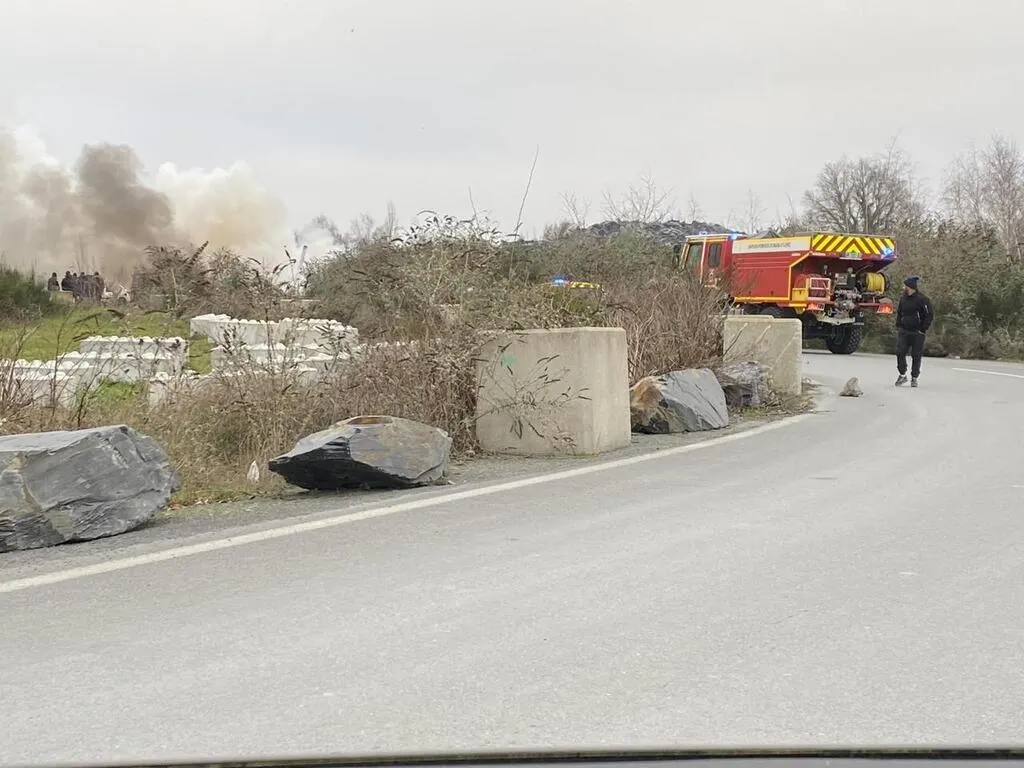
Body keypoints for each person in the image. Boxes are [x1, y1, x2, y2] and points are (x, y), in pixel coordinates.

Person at [895, 275, 933, 388]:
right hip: (904, 330)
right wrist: (899, 324)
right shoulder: (903, 298)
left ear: (911, 287)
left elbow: (929, 315)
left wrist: (923, 329)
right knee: (900, 352)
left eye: (905, 286)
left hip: (917, 332)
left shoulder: (922, 299)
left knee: (916, 355)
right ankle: (902, 374)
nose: (904, 288)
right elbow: (900, 312)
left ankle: (914, 377)